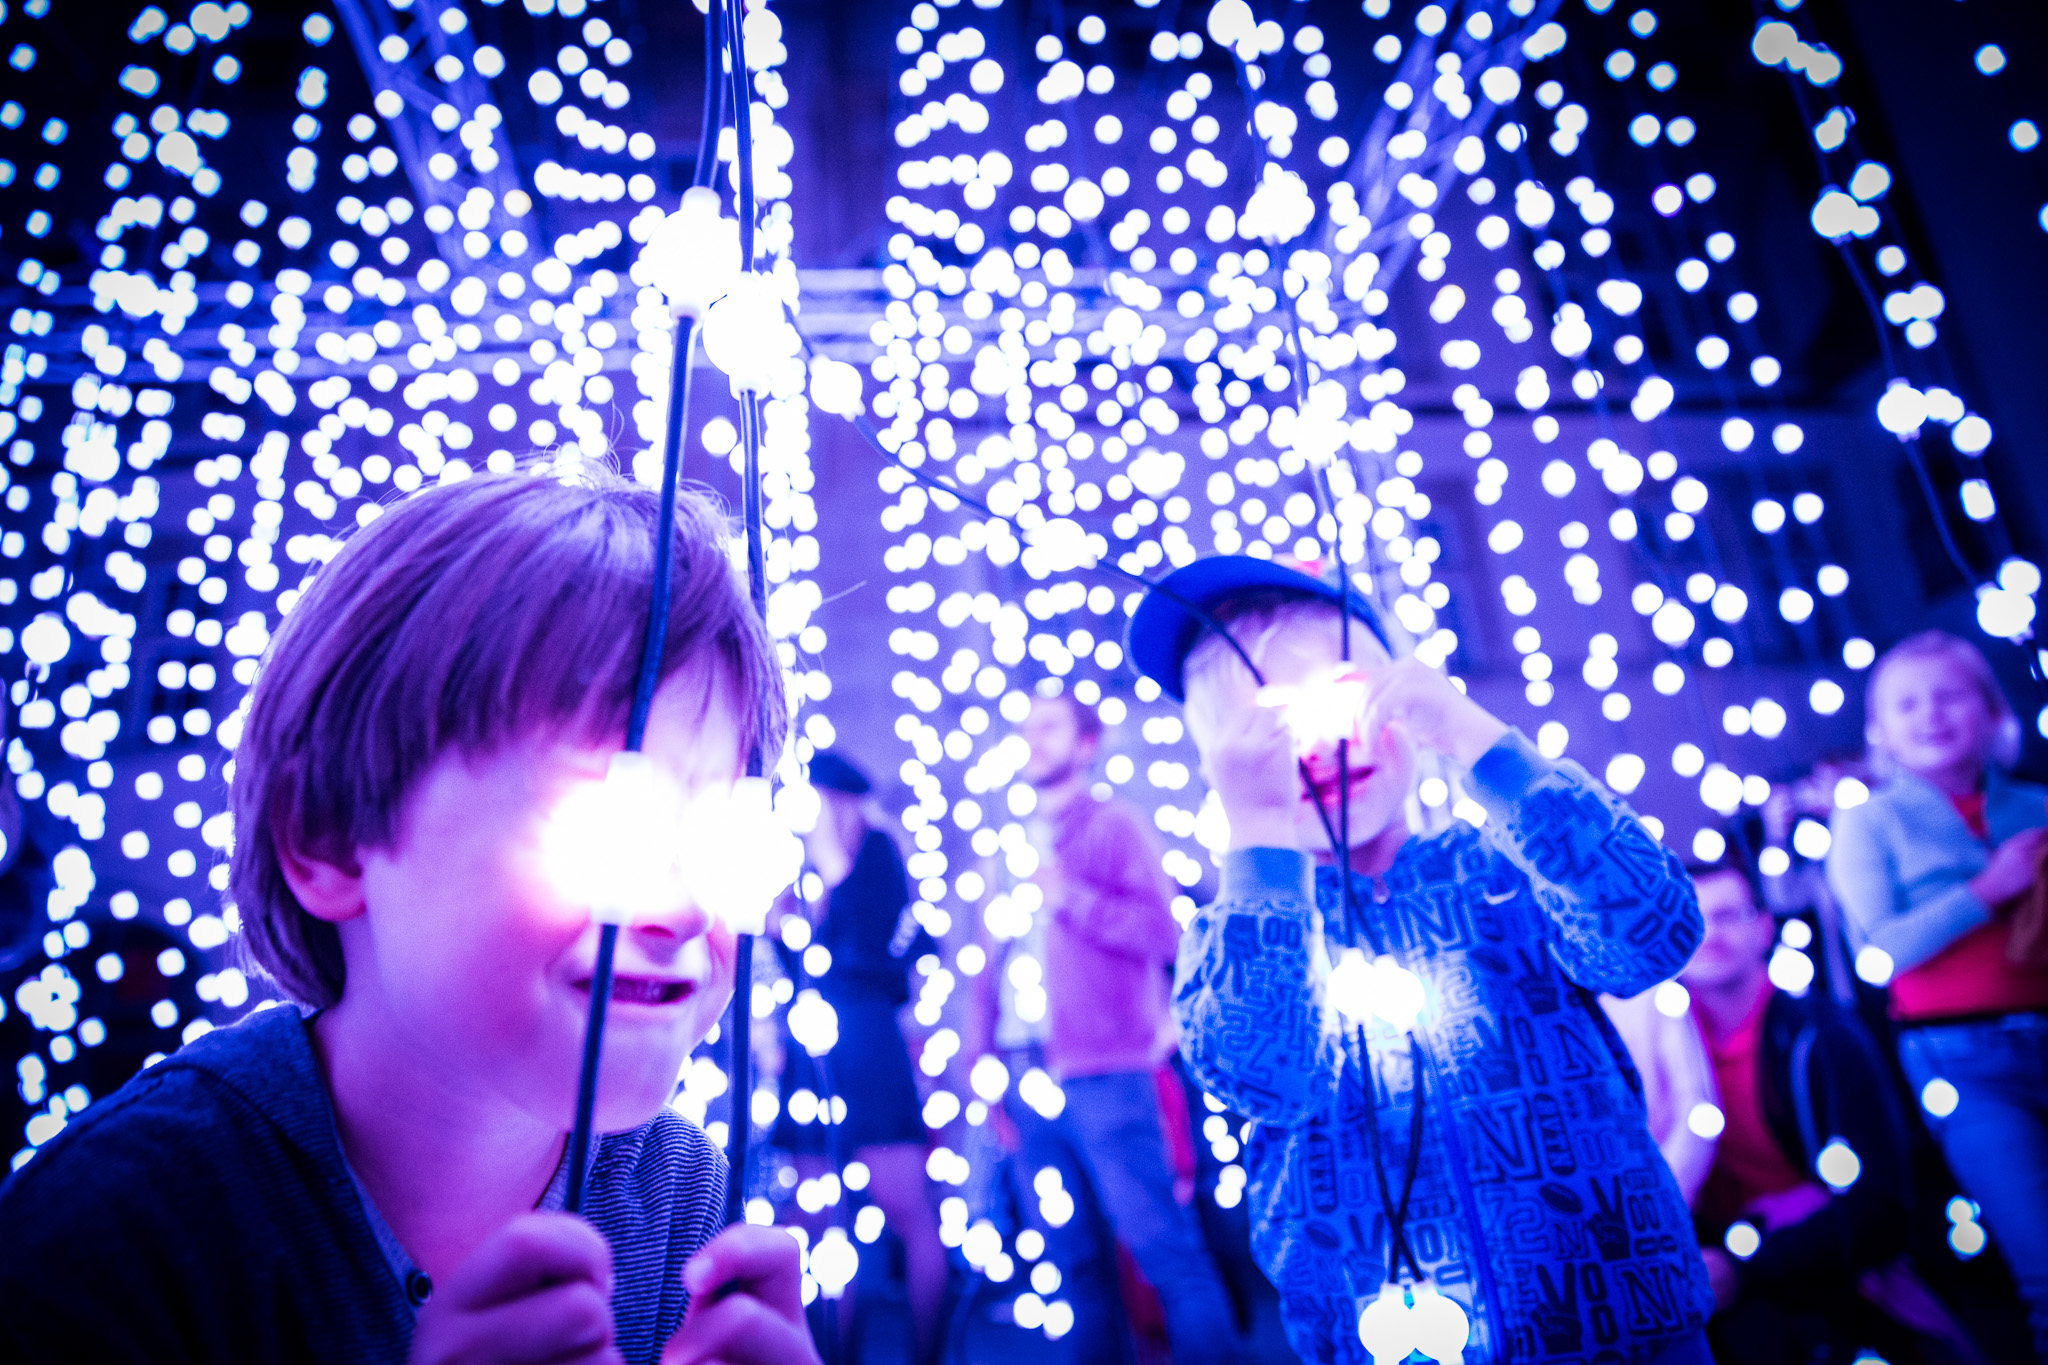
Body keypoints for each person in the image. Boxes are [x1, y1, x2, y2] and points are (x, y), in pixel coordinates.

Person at [0, 473, 819, 1365]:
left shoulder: (681, 1201)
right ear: (330, 839)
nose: (678, 904)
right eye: (602, 819)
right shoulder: (121, 1230)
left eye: (718, 828)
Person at [1130, 555, 1713, 1365]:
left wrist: (1480, 742)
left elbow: (1652, 933)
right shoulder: (1234, 932)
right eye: (1270, 725)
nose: (1322, 747)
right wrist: (1257, 831)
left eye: (1341, 699)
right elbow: (1263, 1071)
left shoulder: (1505, 869)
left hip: (1623, 1322)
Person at [971, 688, 1239, 1365]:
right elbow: (985, 964)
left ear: (1085, 743)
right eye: (1026, 727)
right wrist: (984, 1065)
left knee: (1163, 1250)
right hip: (1024, 1071)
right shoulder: (1007, 844)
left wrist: (1075, 900)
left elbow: (1163, 930)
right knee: (1074, 1266)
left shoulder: (1113, 827)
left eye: (1049, 727)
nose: (1033, 738)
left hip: (1106, 1071)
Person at [1828, 629, 2048, 1360]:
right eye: (1908, 703)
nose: (1932, 714)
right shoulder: (1868, 820)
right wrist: (1986, 891)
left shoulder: (2039, 804)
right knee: (2044, 1265)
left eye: (1950, 694)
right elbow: (1877, 953)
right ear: (1881, 730)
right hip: (1964, 1061)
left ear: (1991, 709)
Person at [1681, 849, 1966, 1365]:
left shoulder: (1824, 1036)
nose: (1709, 934)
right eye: (1691, 919)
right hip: (1715, 1285)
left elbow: (1882, 1206)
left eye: (1727, 915)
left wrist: (1745, 1267)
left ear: (1763, 928)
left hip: (1829, 1279)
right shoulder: (1659, 1054)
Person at [771, 751, 945, 1363]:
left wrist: (827, 867)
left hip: (866, 1045)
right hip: (810, 1051)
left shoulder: (873, 856)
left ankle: (928, 1354)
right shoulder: (800, 873)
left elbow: (878, 953)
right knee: (817, 1218)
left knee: (905, 1206)